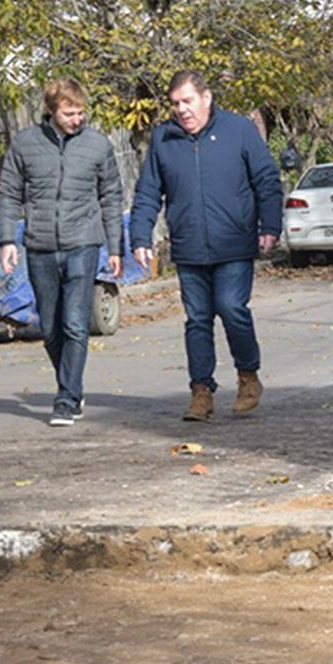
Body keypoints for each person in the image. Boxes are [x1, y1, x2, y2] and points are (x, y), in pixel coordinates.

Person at [131, 69, 283, 421]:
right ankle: (201, 392)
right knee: (197, 319)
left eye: (188, 101)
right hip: (188, 246)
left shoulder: (239, 131)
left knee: (231, 307)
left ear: (206, 98)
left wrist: (270, 225)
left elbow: (266, 181)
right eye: (175, 104)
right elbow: (148, 191)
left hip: (234, 242)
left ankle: (248, 377)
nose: (182, 110)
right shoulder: (163, 139)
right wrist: (140, 236)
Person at [0, 78, 124, 427]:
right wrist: (7, 240)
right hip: (39, 246)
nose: (77, 119)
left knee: (74, 324)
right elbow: (9, 193)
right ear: (52, 111)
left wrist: (116, 247)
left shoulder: (97, 145)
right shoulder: (25, 144)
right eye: (69, 113)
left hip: (83, 243)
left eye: (81, 112)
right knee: (50, 328)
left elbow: (111, 196)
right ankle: (71, 384)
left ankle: (67, 398)